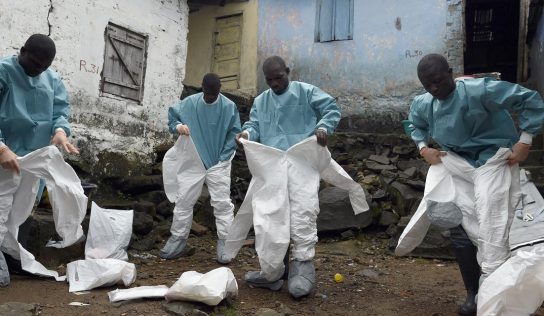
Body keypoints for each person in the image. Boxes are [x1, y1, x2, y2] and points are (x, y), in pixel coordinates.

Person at [408, 53, 544, 315]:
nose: (434, 89)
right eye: (428, 85)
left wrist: (525, 140)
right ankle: (474, 294)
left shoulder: (479, 90)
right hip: (456, 163)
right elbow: (415, 125)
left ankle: (493, 296)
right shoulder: (424, 103)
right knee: (461, 228)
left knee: (493, 226)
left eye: (438, 81)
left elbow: (529, 100)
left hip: (493, 161)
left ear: (451, 72)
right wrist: (424, 148)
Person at [236, 56, 341, 298]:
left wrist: (323, 127)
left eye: (278, 77)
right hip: (272, 165)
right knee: (270, 216)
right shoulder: (261, 101)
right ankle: (272, 271)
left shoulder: (305, 92)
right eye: (269, 80)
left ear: (288, 71)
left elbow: (330, 108)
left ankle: (302, 268)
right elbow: (254, 125)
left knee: (302, 212)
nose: (274, 83)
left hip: (302, 162)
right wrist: (247, 133)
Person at [0, 34, 79, 287]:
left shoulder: (52, 80)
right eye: (34, 64)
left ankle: (13, 258)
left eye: (44, 67)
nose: (38, 70)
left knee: (21, 209)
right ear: (22, 51)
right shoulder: (4, 72)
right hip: (4, 155)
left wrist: (60, 131)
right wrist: (1, 148)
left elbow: (60, 111)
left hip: (31, 159)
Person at [161, 73, 241, 263]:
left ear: (219, 90)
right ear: (202, 89)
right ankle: (178, 239)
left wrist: (223, 159)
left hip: (218, 162)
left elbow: (234, 134)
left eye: (214, 94)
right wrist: (178, 126)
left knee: (222, 203)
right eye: (207, 94)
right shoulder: (189, 103)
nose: (210, 97)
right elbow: (172, 118)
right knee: (183, 200)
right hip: (193, 159)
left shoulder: (229, 107)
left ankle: (226, 243)